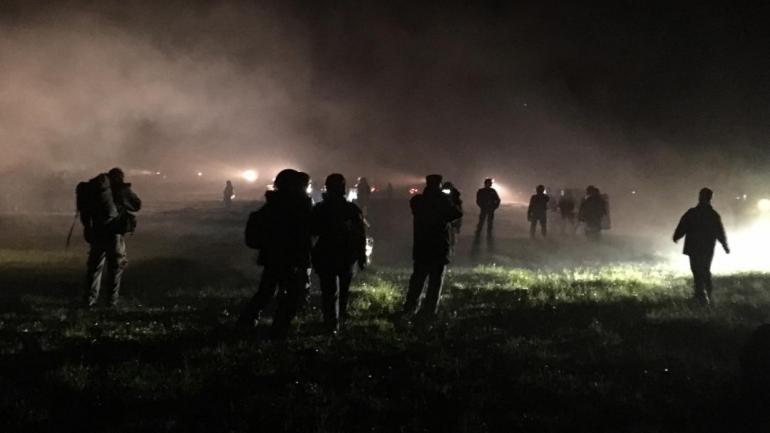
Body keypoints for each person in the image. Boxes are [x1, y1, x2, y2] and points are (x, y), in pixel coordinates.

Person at [240, 169, 313, 339]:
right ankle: (279, 329)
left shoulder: (273, 205)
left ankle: (247, 322)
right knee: (292, 295)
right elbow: (304, 233)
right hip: (291, 258)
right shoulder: (295, 207)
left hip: (273, 257)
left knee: (266, 292)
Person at [310, 174, 367, 333]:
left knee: (329, 291)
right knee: (342, 290)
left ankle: (331, 322)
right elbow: (360, 234)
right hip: (345, 255)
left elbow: (312, 232)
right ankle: (337, 319)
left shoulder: (320, 208)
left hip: (327, 254)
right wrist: (361, 256)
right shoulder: (350, 209)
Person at [402, 174, 463, 323]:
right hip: (438, 247)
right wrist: (453, 198)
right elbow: (456, 214)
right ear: (439, 185)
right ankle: (429, 311)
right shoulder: (443, 202)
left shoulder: (417, 201)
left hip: (422, 246)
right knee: (435, 283)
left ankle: (409, 308)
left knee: (417, 280)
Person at [80, 167, 141, 307]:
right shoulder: (121, 190)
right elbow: (137, 205)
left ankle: (89, 300)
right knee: (115, 267)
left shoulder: (95, 192)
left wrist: (88, 229)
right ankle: (111, 302)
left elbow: (86, 213)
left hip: (97, 233)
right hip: (114, 235)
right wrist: (126, 192)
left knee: (94, 267)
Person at [673, 187, 729, 305]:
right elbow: (719, 231)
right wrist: (724, 245)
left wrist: (677, 236)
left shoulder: (692, 212)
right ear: (710, 198)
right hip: (707, 247)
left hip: (693, 246)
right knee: (704, 269)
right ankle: (706, 294)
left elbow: (683, 225)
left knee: (697, 270)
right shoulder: (713, 215)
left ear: (700, 197)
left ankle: (701, 295)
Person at [442, 181, 463, 253]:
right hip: (443, 220)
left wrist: (458, 226)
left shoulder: (455, 198)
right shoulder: (439, 196)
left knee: (452, 237)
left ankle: (452, 251)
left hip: (452, 221)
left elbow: (459, 212)